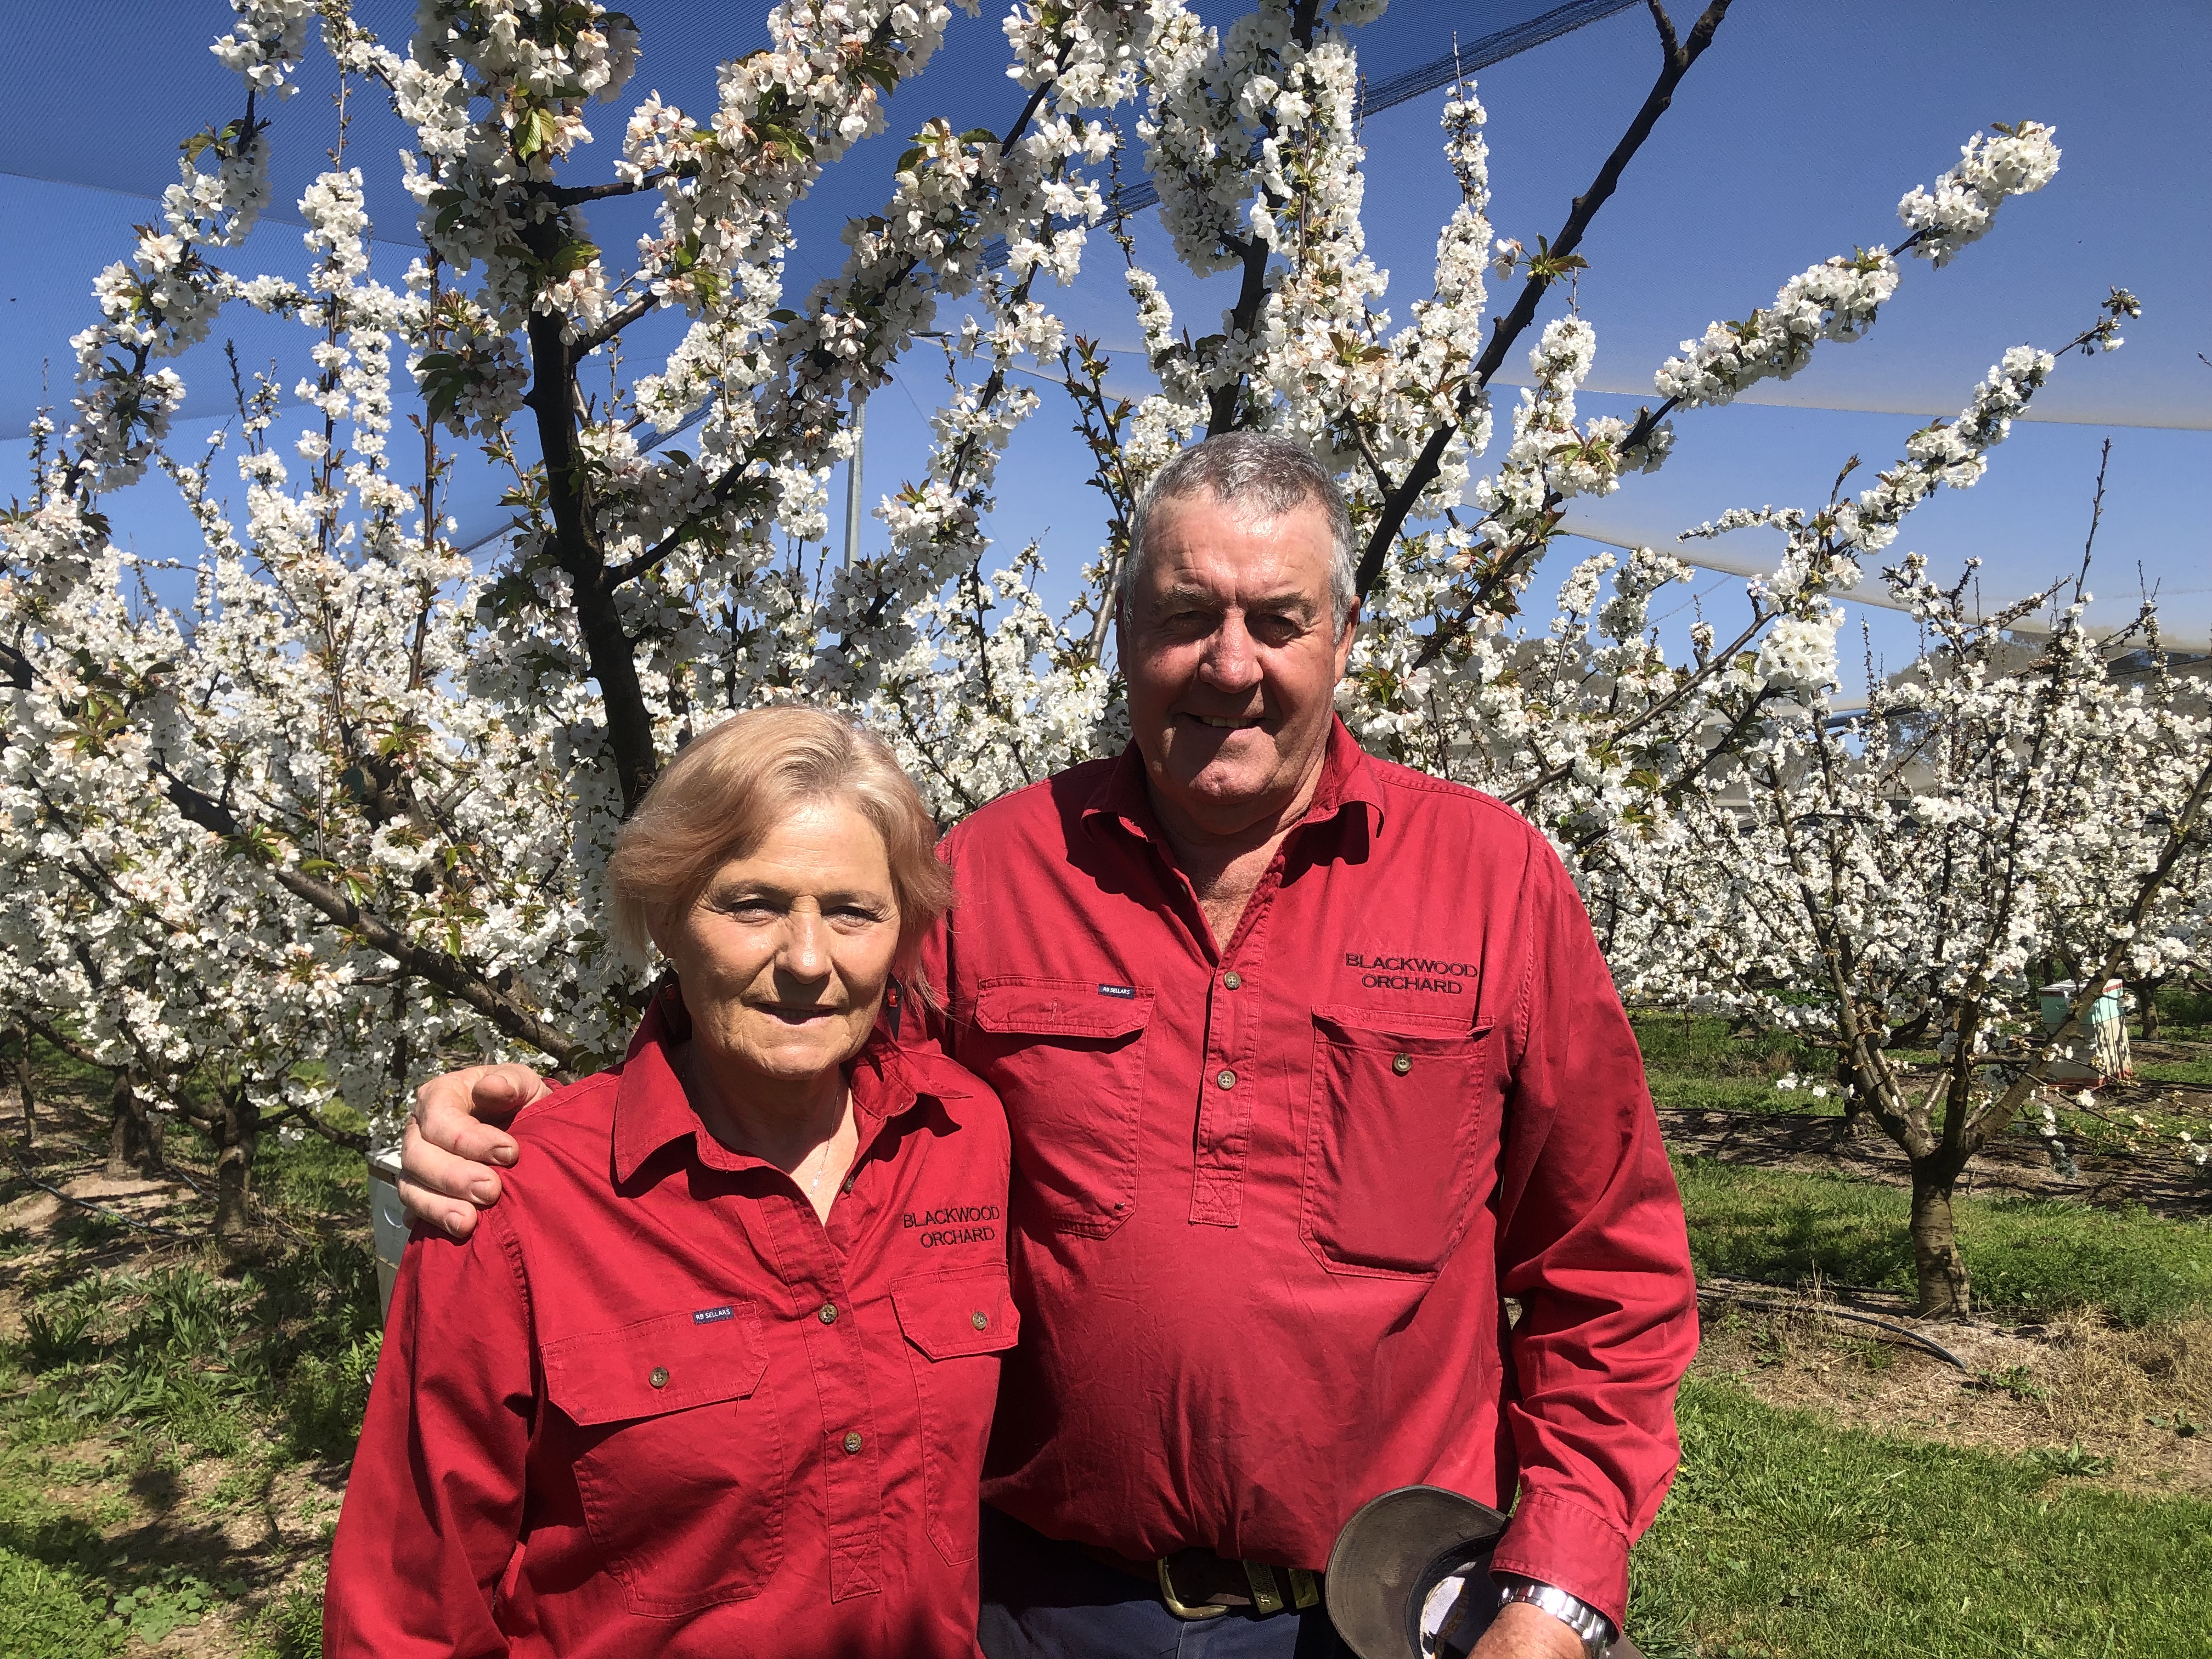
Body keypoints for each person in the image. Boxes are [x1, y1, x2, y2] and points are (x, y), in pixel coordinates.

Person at [402, 432, 1699, 1659]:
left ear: (1345, 639)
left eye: (1278, 621)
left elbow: (1609, 1270)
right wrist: (538, 1136)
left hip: (1380, 1609)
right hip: (1036, 1608)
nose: (1231, 663)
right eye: (1187, 615)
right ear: (1124, 632)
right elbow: (787, 1070)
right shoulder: (997, 872)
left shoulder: (1492, 882)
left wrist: (1558, 1590)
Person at [327, 707, 1013, 1659]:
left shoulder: (964, 1133)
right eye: (754, 905)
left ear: (904, 937)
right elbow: (409, 1616)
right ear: (665, 915)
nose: (808, 961)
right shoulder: (521, 1201)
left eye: (853, 911)